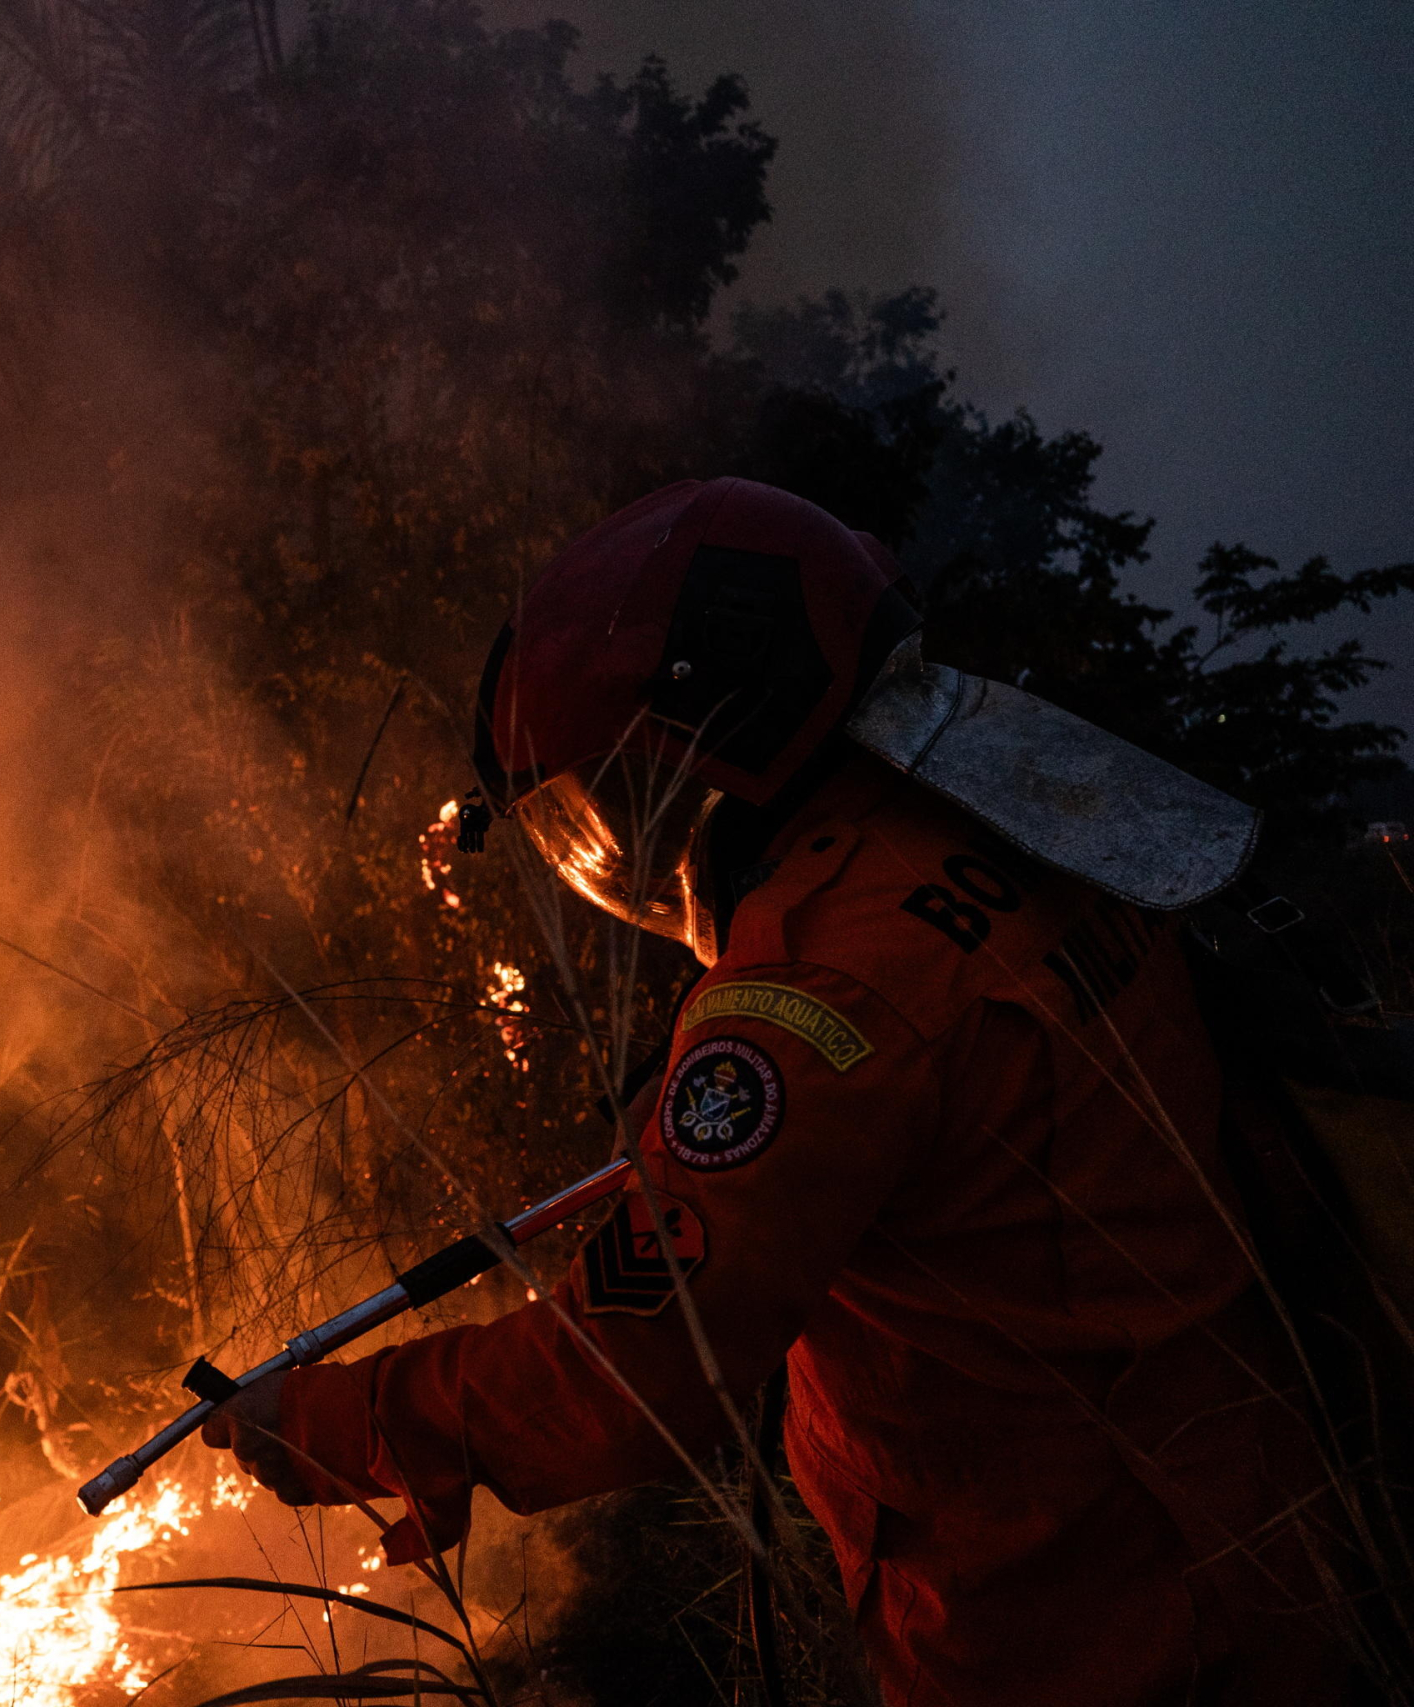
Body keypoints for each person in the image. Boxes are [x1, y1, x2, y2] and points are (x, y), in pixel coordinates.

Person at [202, 478, 1350, 1705]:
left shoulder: (813, 994)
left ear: (702, 756)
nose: (613, 849)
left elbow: (629, 1368)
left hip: (1069, 1626)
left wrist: (342, 1419)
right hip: (1255, 1538)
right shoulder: (1023, 821)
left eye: (605, 803)